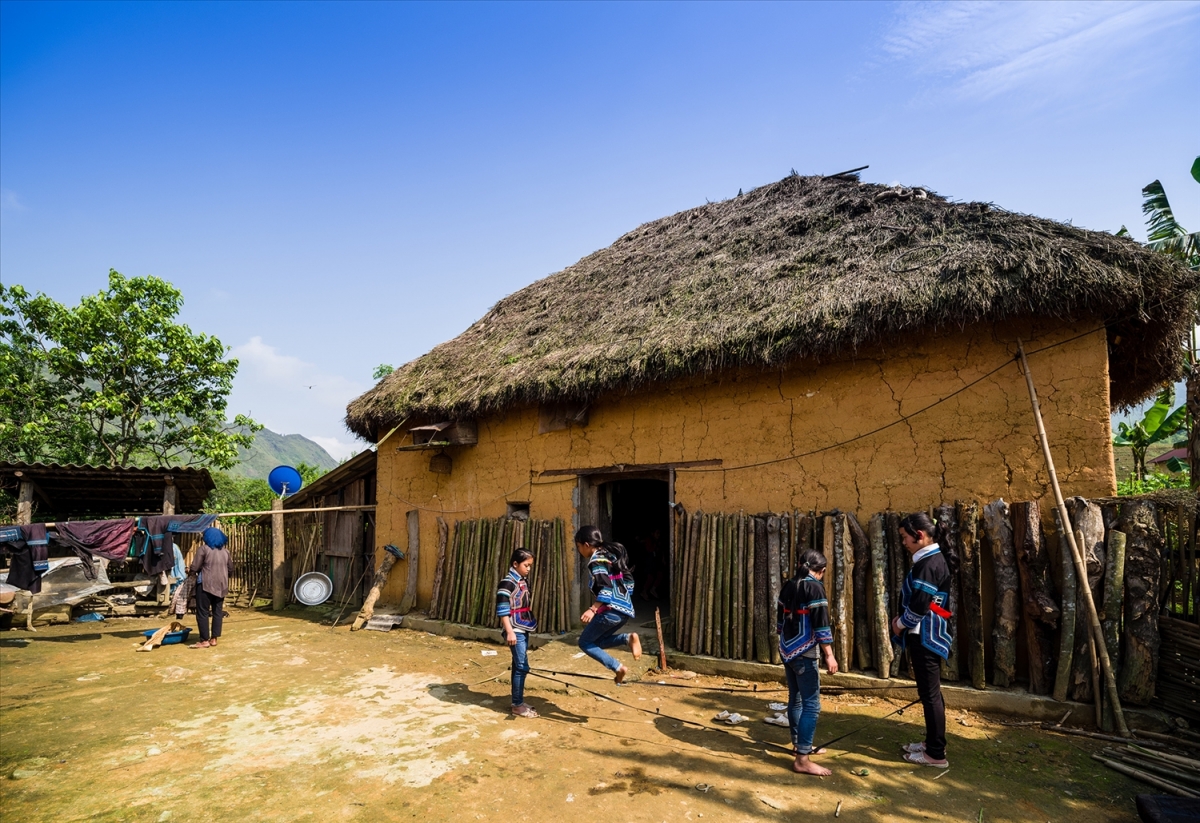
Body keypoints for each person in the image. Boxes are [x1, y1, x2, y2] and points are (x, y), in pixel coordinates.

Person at [890, 511, 956, 768]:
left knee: (930, 695)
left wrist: (899, 624)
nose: (904, 542)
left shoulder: (929, 564)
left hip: (926, 634)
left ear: (919, 536)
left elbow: (919, 606)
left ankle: (936, 755)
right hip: (927, 631)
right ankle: (932, 743)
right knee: (930, 693)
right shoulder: (930, 560)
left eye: (905, 537)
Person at [777, 549, 839, 776]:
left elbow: (780, 618)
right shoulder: (815, 586)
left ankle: (798, 744)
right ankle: (803, 759)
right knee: (812, 704)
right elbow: (821, 624)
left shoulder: (789, 584)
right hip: (805, 651)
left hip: (787, 649)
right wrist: (829, 654)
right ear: (821, 571)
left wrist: (783, 642)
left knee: (796, 698)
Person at [574, 526, 642, 683]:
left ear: (586, 544)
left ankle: (617, 667)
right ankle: (628, 638)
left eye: (578, 547)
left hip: (610, 611)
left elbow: (605, 587)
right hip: (624, 611)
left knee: (584, 642)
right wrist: (624, 599)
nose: (579, 551)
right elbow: (629, 581)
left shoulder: (596, 561)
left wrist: (593, 609)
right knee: (596, 642)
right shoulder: (611, 556)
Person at [497, 548, 539, 718]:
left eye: (530, 565)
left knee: (518, 665)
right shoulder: (507, 583)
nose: (528, 568)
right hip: (515, 629)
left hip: (524, 626)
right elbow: (502, 609)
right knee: (522, 667)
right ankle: (517, 706)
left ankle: (518, 701)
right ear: (515, 564)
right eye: (526, 565)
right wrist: (509, 632)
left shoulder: (522, 580)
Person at [189, 527, 233, 650]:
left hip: (205, 585)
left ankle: (204, 640)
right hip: (221, 586)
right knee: (217, 612)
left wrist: (191, 572)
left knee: (202, 612)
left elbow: (195, 567)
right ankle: (214, 639)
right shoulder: (226, 552)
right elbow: (231, 569)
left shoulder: (203, 549)